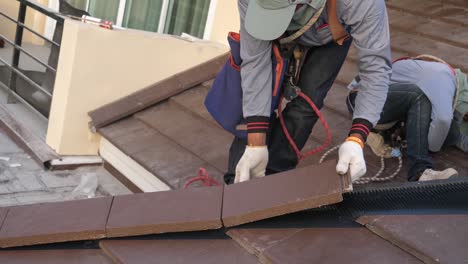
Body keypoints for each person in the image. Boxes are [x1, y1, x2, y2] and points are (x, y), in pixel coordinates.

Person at [224, 0, 392, 184]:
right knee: (254, 100)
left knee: (307, 103)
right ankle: (239, 181)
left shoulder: (361, 3)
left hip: (331, 31)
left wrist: (357, 138)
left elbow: (375, 69)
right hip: (279, 33)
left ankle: (273, 177)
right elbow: (255, 63)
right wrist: (255, 144)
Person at [346, 56, 468, 181]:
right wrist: (428, 147)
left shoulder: (434, 73)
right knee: (418, 97)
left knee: (449, 130)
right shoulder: (443, 78)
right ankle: (419, 171)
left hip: (383, 104)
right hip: (361, 99)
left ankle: (384, 136)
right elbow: (443, 119)